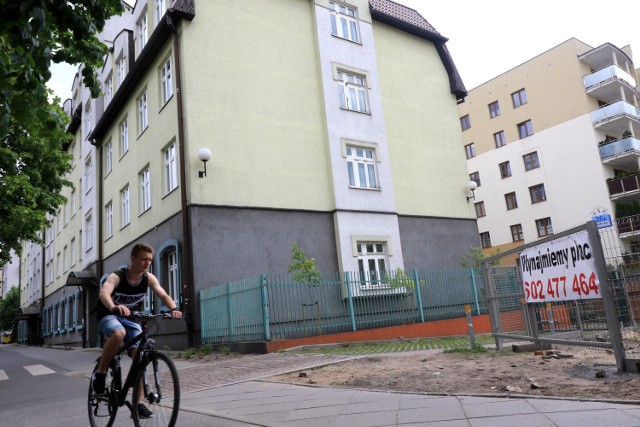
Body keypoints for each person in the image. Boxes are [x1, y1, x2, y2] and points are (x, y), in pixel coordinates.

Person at [92, 242, 183, 419]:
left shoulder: (148, 278)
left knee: (140, 357)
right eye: (144, 259)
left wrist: (173, 308)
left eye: (150, 260)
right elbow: (104, 292)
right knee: (119, 333)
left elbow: (162, 294)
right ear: (133, 259)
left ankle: (138, 404)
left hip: (130, 318)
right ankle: (101, 373)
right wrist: (114, 306)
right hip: (109, 315)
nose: (147, 263)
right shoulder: (118, 276)